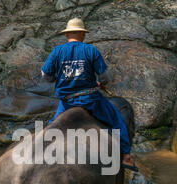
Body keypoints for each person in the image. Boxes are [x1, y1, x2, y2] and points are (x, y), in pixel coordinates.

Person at [41, 18, 138, 172]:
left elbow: (45, 75)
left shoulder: (57, 51)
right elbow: (104, 75)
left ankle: (42, 150)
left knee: (51, 127)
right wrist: (102, 83)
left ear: (67, 35)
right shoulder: (91, 50)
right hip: (90, 100)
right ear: (82, 34)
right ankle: (126, 156)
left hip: (66, 103)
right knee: (116, 120)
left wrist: (55, 79)